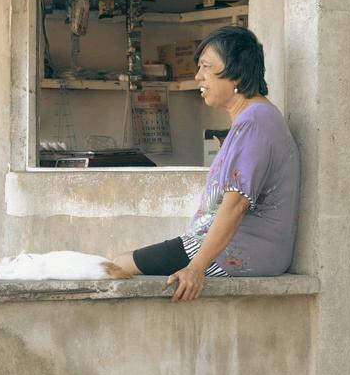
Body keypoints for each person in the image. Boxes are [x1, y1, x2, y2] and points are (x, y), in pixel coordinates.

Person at [114, 26, 300, 301]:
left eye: (206, 67)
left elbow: (236, 204)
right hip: (239, 250)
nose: (198, 76)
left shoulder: (255, 123)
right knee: (116, 264)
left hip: (238, 253)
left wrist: (197, 267)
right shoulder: (257, 117)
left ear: (237, 72)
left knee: (114, 267)